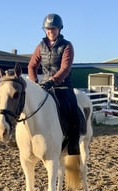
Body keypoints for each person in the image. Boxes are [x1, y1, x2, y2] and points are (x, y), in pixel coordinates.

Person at [28, 13, 81, 155]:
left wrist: (53, 81)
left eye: (54, 29)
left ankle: (73, 142)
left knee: (72, 111)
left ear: (59, 29)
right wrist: (34, 83)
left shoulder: (67, 46)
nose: (51, 32)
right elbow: (32, 66)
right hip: (44, 86)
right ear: (45, 30)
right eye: (48, 29)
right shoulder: (40, 46)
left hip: (63, 86)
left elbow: (65, 68)